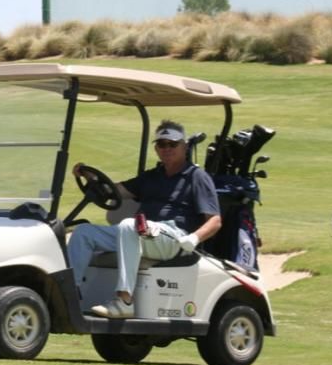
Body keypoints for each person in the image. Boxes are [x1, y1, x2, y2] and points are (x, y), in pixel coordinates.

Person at [67, 120, 222, 319]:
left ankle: (124, 301)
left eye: (172, 144)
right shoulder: (151, 177)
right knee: (84, 232)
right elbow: (113, 191)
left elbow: (215, 220)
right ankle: (70, 296)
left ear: (184, 146)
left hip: (174, 238)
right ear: (156, 149)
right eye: (161, 144)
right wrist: (88, 175)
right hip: (141, 233)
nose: (166, 149)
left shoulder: (197, 177)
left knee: (128, 225)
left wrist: (194, 238)